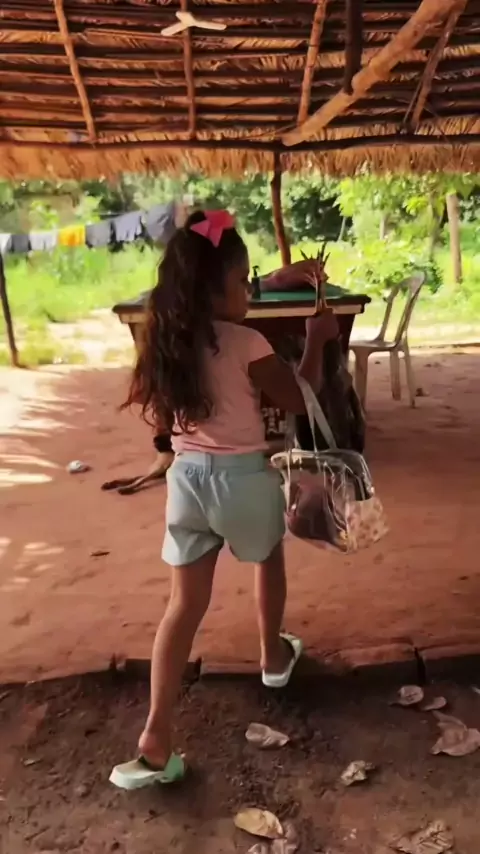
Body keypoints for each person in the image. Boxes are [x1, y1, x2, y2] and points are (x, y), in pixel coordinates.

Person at [110, 209, 339, 790]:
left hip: (186, 483)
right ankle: (272, 657)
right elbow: (301, 396)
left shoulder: (167, 341)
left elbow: (166, 420)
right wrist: (316, 341)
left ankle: (155, 738)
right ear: (214, 289)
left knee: (182, 606)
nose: (248, 291)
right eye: (242, 281)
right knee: (267, 557)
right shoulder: (248, 342)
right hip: (243, 480)